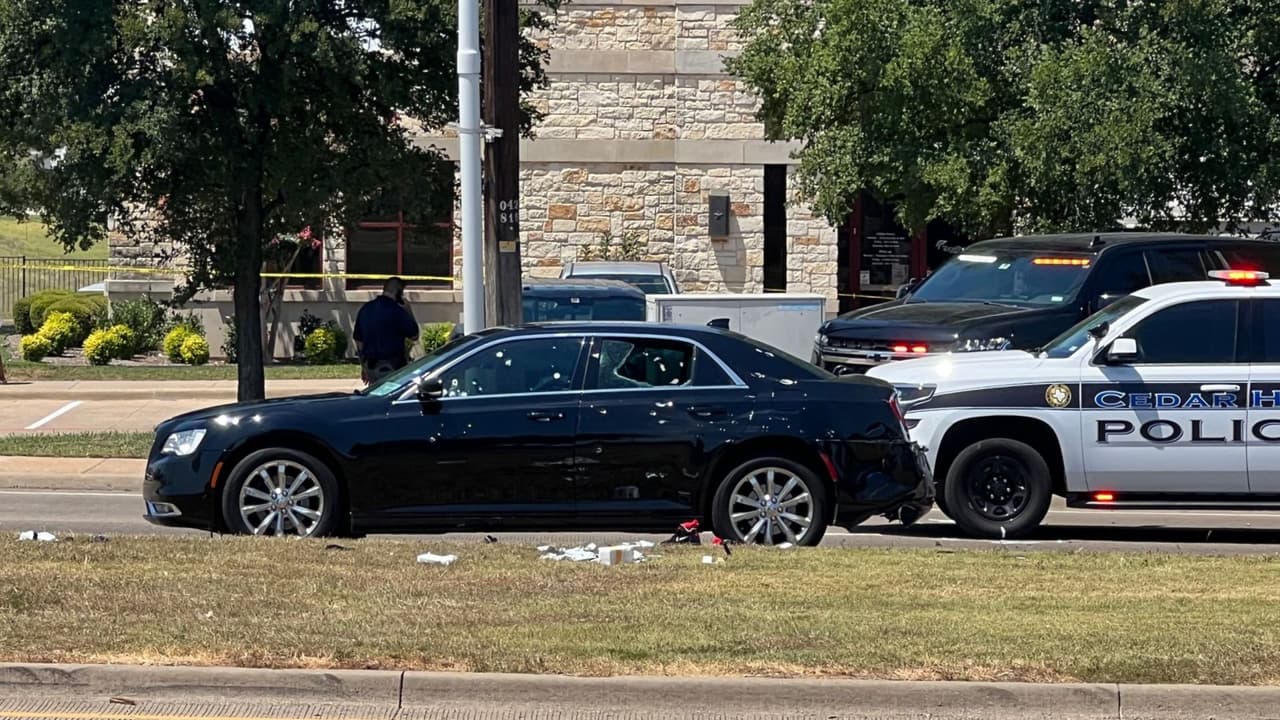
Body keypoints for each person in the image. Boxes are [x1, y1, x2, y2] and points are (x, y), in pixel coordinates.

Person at [353, 277, 420, 385]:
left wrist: (364, 367)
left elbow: (359, 343)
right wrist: (408, 309)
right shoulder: (397, 311)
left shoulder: (366, 309)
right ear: (398, 292)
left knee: (375, 398)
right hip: (393, 367)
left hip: (371, 366)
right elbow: (414, 335)